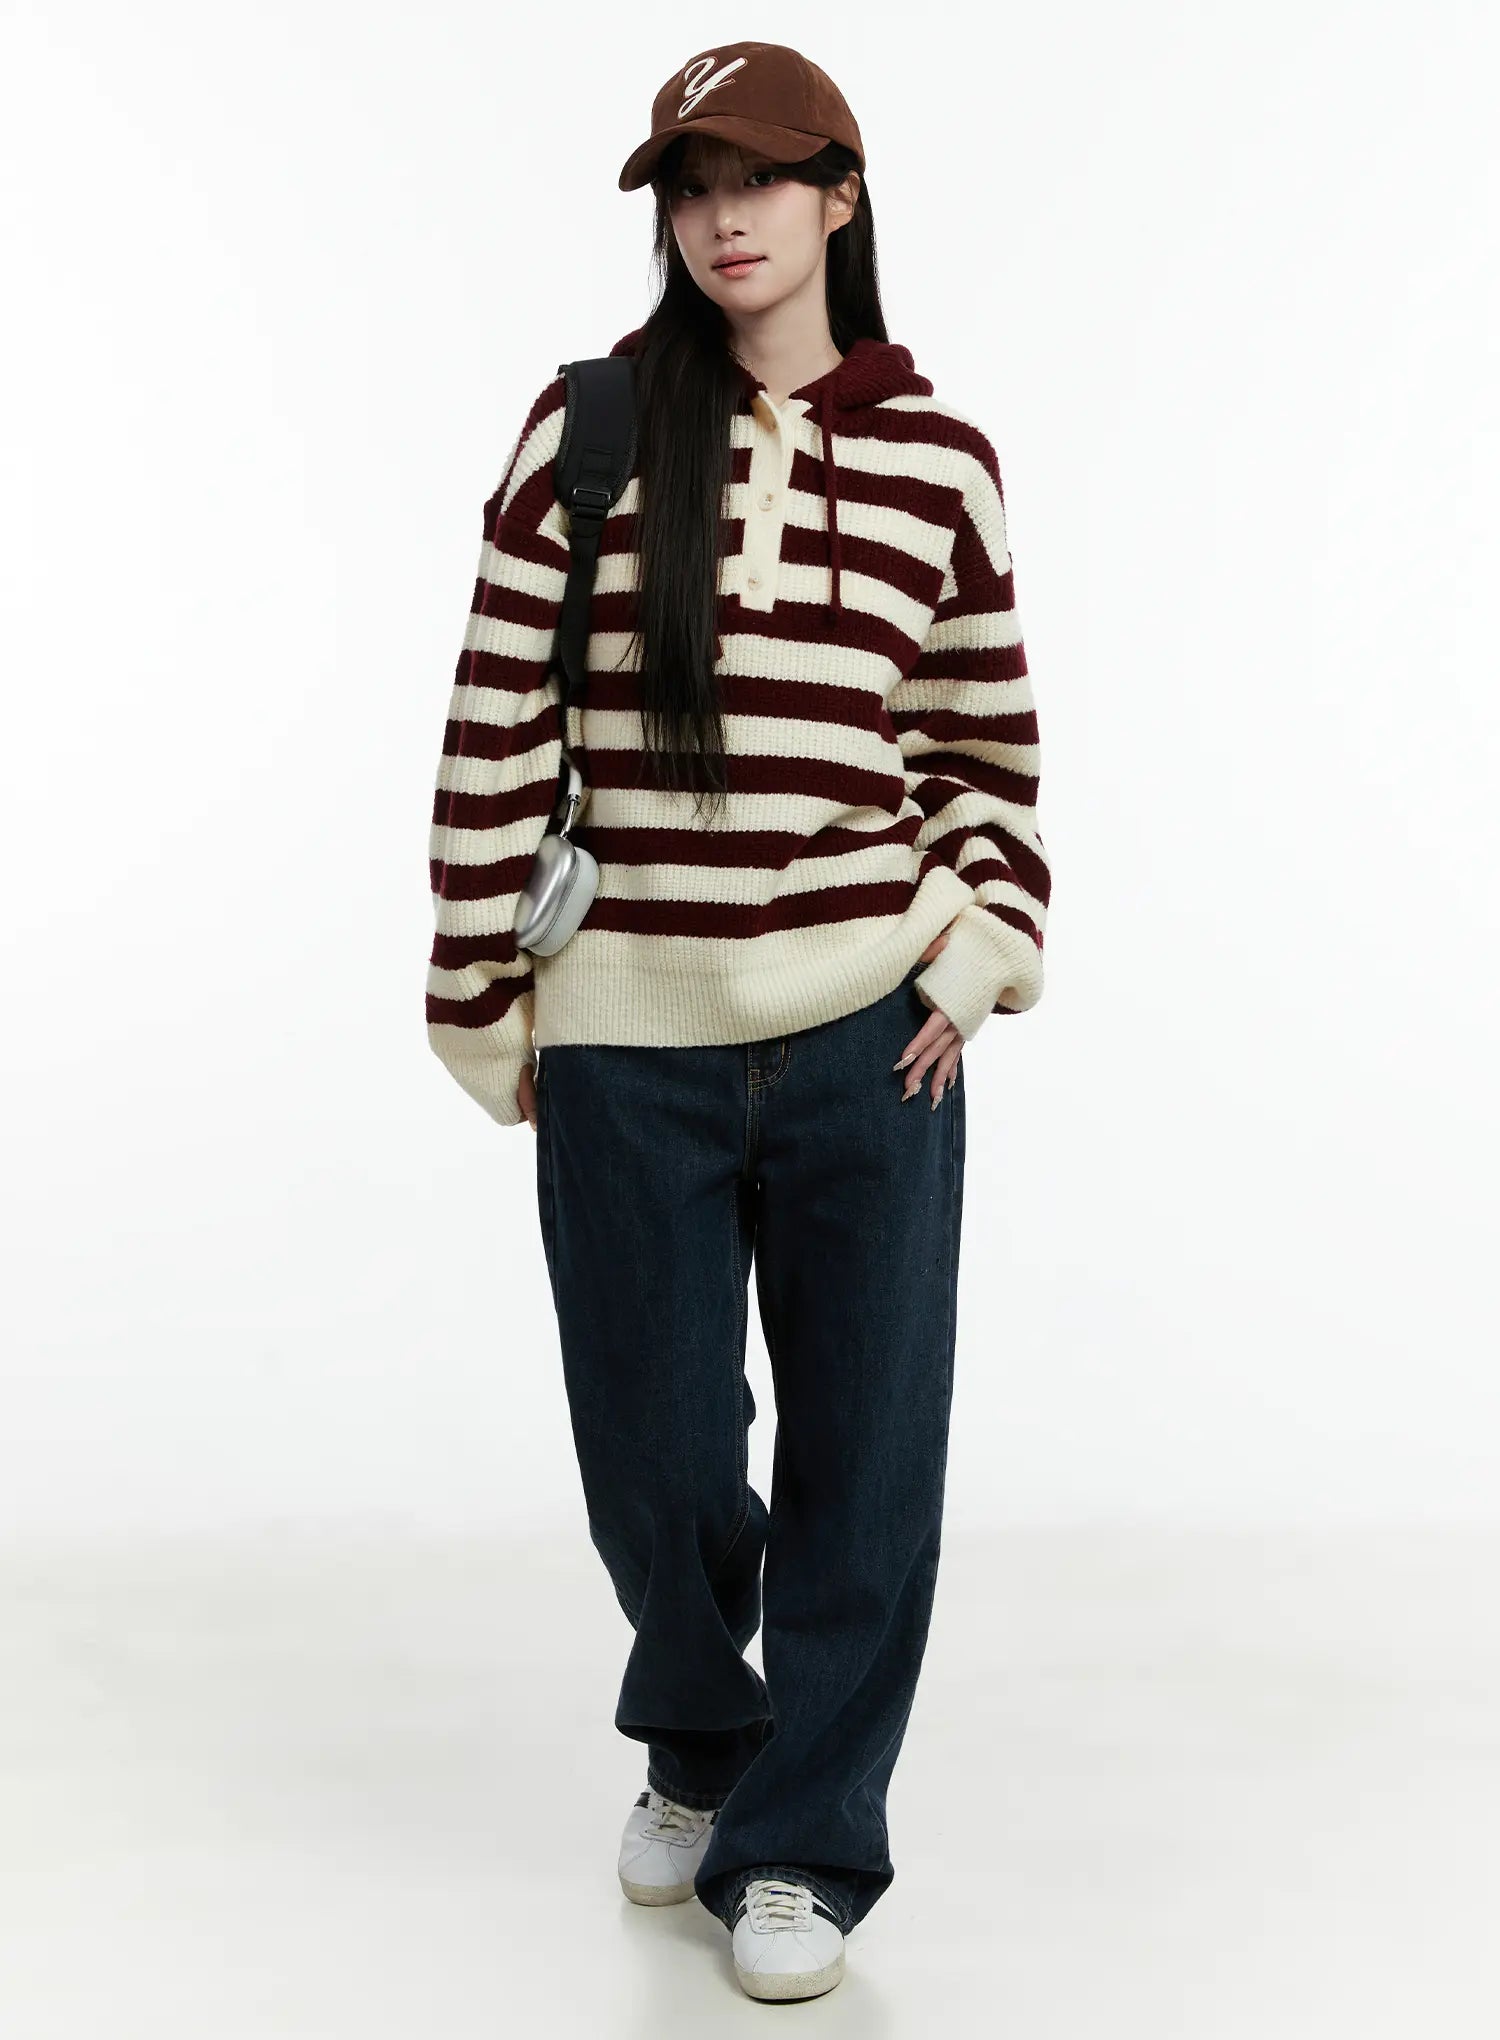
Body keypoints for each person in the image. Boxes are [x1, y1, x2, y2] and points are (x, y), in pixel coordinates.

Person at [424, 40, 1050, 2004]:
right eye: (691, 187)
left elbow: (980, 752)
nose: (722, 219)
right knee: (662, 1454)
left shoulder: (942, 460)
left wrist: (980, 946)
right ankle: (701, 1741)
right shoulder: (591, 427)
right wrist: (482, 993)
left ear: (841, 198)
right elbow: (497, 723)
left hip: (872, 1036)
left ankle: (806, 1846)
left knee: (870, 1462)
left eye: (761, 180)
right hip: (629, 1041)